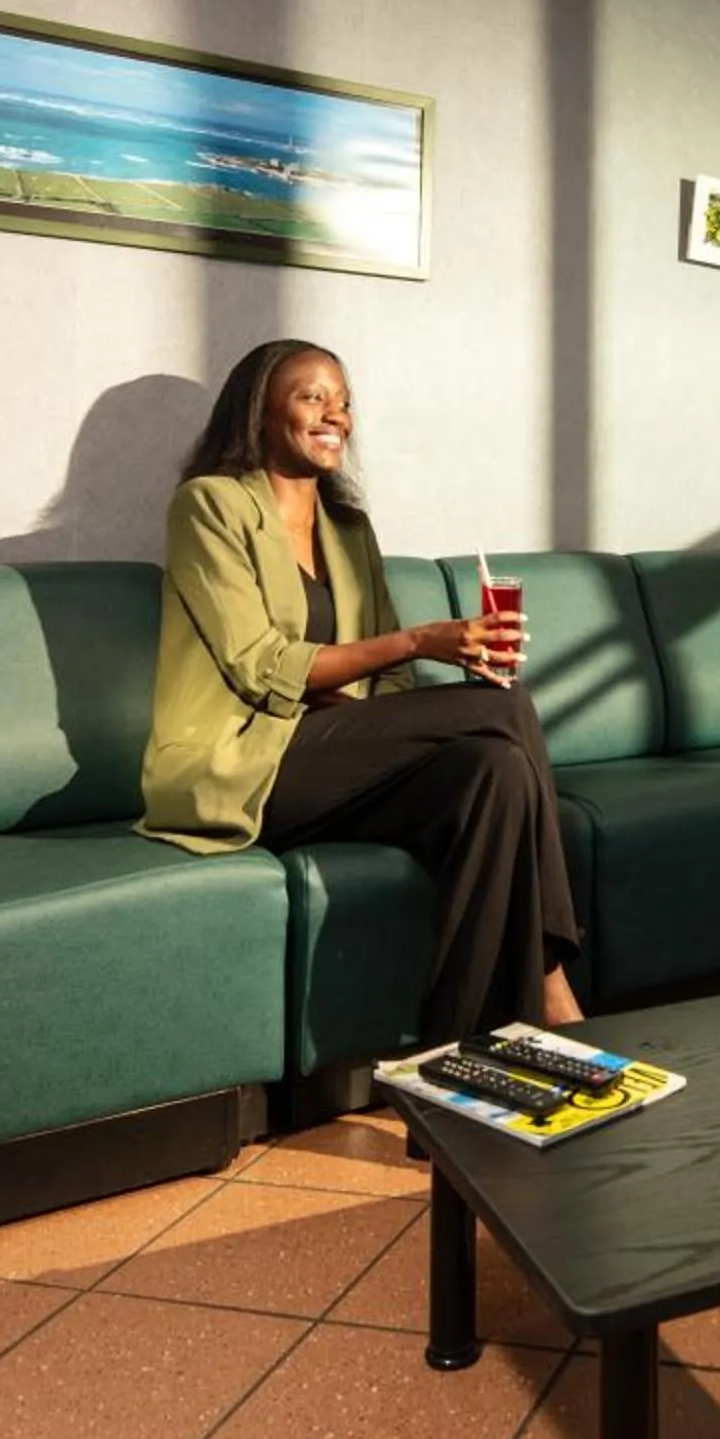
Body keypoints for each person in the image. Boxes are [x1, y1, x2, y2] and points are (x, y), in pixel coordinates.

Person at [140, 338, 585, 1040]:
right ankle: (553, 983)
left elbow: (391, 684)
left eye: (343, 402)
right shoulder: (208, 508)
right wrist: (421, 640)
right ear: (259, 413)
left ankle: (455, 1056)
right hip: (243, 763)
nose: (334, 416)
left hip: (331, 759)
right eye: (311, 397)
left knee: (494, 769)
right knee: (505, 708)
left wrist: (388, 717)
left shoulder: (348, 529)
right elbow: (259, 662)